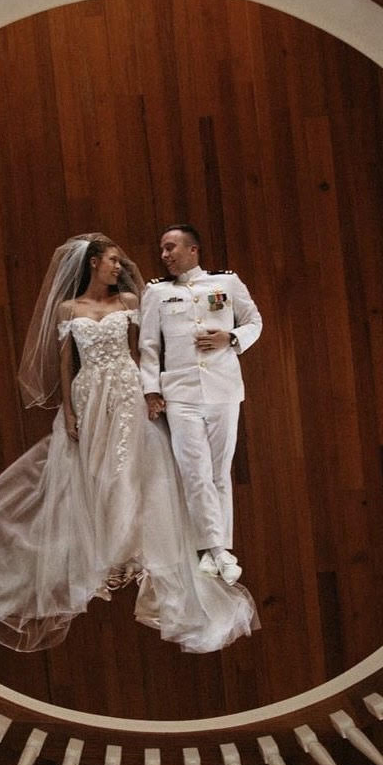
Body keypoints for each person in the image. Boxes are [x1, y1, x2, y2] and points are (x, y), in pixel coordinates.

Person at [0, 233, 257, 654]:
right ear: (93, 264)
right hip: (88, 393)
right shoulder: (69, 309)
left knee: (137, 472)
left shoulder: (133, 302)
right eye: (112, 261)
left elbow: (143, 351)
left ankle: (138, 553)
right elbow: (67, 359)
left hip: (127, 388)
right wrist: (68, 407)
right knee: (92, 474)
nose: (119, 267)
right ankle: (102, 555)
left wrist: (149, 391)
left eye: (120, 261)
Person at [139, 225, 262, 585]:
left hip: (223, 388)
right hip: (181, 394)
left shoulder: (226, 283)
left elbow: (255, 321)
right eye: (162, 249)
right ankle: (218, 548)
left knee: (219, 471)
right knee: (194, 471)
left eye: (171, 247)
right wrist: (150, 388)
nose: (165, 254)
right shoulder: (157, 292)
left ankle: (214, 550)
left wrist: (231, 337)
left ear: (193, 250)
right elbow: (149, 346)